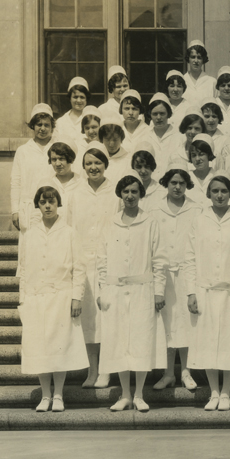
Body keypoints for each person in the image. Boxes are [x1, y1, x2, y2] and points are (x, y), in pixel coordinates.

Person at [183, 175, 230, 411]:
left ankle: (226, 393)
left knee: (229, 343)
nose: (220, 195)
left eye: (224, 190)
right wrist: (190, 293)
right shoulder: (198, 221)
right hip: (205, 291)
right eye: (215, 191)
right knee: (207, 344)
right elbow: (190, 258)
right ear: (209, 194)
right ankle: (213, 391)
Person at [97, 173, 166, 412]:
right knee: (118, 342)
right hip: (115, 291)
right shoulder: (110, 222)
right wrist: (102, 289)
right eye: (125, 191)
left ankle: (139, 394)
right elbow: (102, 259)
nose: (130, 196)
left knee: (140, 342)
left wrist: (159, 291)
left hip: (142, 291)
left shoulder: (150, 222)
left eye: (134, 192)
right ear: (120, 194)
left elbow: (158, 259)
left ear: (141, 194)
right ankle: (124, 394)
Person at [18, 185, 88, 412]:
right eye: (43, 202)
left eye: (52, 201)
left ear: (59, 204)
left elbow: (79, 268)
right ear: (37, 205)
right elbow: (24, 269)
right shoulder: (29, 235)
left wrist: (77, 297)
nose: (47, 205)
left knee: (59, 346)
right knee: (39, 348)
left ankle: (58, 395)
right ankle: (45, 395)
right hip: (36, 299)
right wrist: (24, 301)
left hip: (61, 297)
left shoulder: (69, 232)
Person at [70, 144, 119, 388]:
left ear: (105, 165)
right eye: (89, 163)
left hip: (110, 263)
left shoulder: (115, 193)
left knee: (108, 318)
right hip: (83, 263)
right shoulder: (76, 194)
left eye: (98, 162)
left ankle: (107, 369)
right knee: (89, 321)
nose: (93, 167)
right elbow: (69, 230)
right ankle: (93, 369)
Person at [151, 168, 202, 391]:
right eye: (173, 182)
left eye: (182, 183)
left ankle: (186, 371)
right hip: (163, 275)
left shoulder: (196, 210)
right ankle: (168, 373)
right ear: (166, 183)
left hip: (188, 273)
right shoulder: (155, 209)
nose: (177, 187)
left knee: (186, 322)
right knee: (167, 323)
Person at [11, 104, 57, 237]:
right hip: (29, 209)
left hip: (52, 208)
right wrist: (15, 211)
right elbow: (16, 182)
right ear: (33, 126)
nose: (42, 129)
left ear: (52, 127)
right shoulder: (23, 151)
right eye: (39, 124)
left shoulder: (57, 149)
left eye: (47, 125)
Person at [55, 77, 91, 153]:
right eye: (75, 97)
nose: (79, 100)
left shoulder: (92, 119)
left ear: (86, 99)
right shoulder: (61, 122)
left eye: (82, 97)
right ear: (70, 98)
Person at [183, 38, 216, 105]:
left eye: (199, 57)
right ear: (188, 59)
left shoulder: (212, 82)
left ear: (203, 60)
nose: (196, 61)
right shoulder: (182, 80)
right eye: (193, 57)